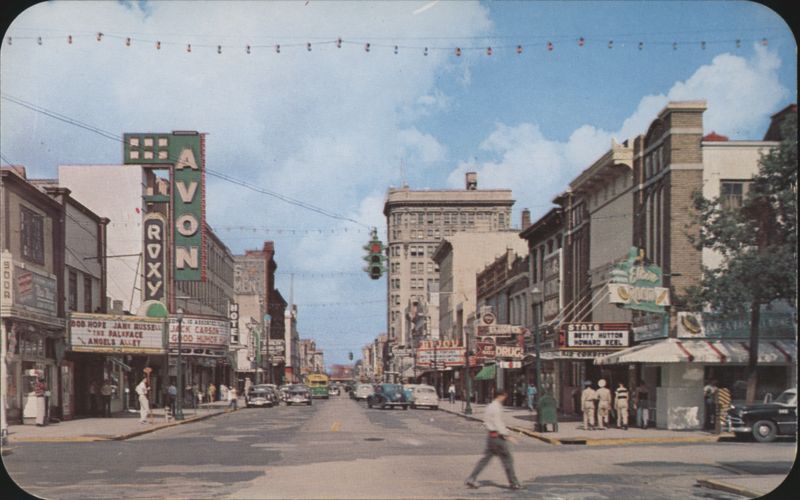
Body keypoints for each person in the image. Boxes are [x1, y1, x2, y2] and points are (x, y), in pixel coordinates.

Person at [464, 389, 521, 490]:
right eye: (504, 396)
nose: (504, 398)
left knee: (485, 460)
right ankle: (514, 483)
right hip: (498, 437)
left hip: (491, 436)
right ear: (500, 396)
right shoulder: (496, 408)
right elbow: (498, 423)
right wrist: (507, 435)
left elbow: (485, 421)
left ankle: (471, 478)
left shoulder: (489, 406)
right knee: (507, 460)